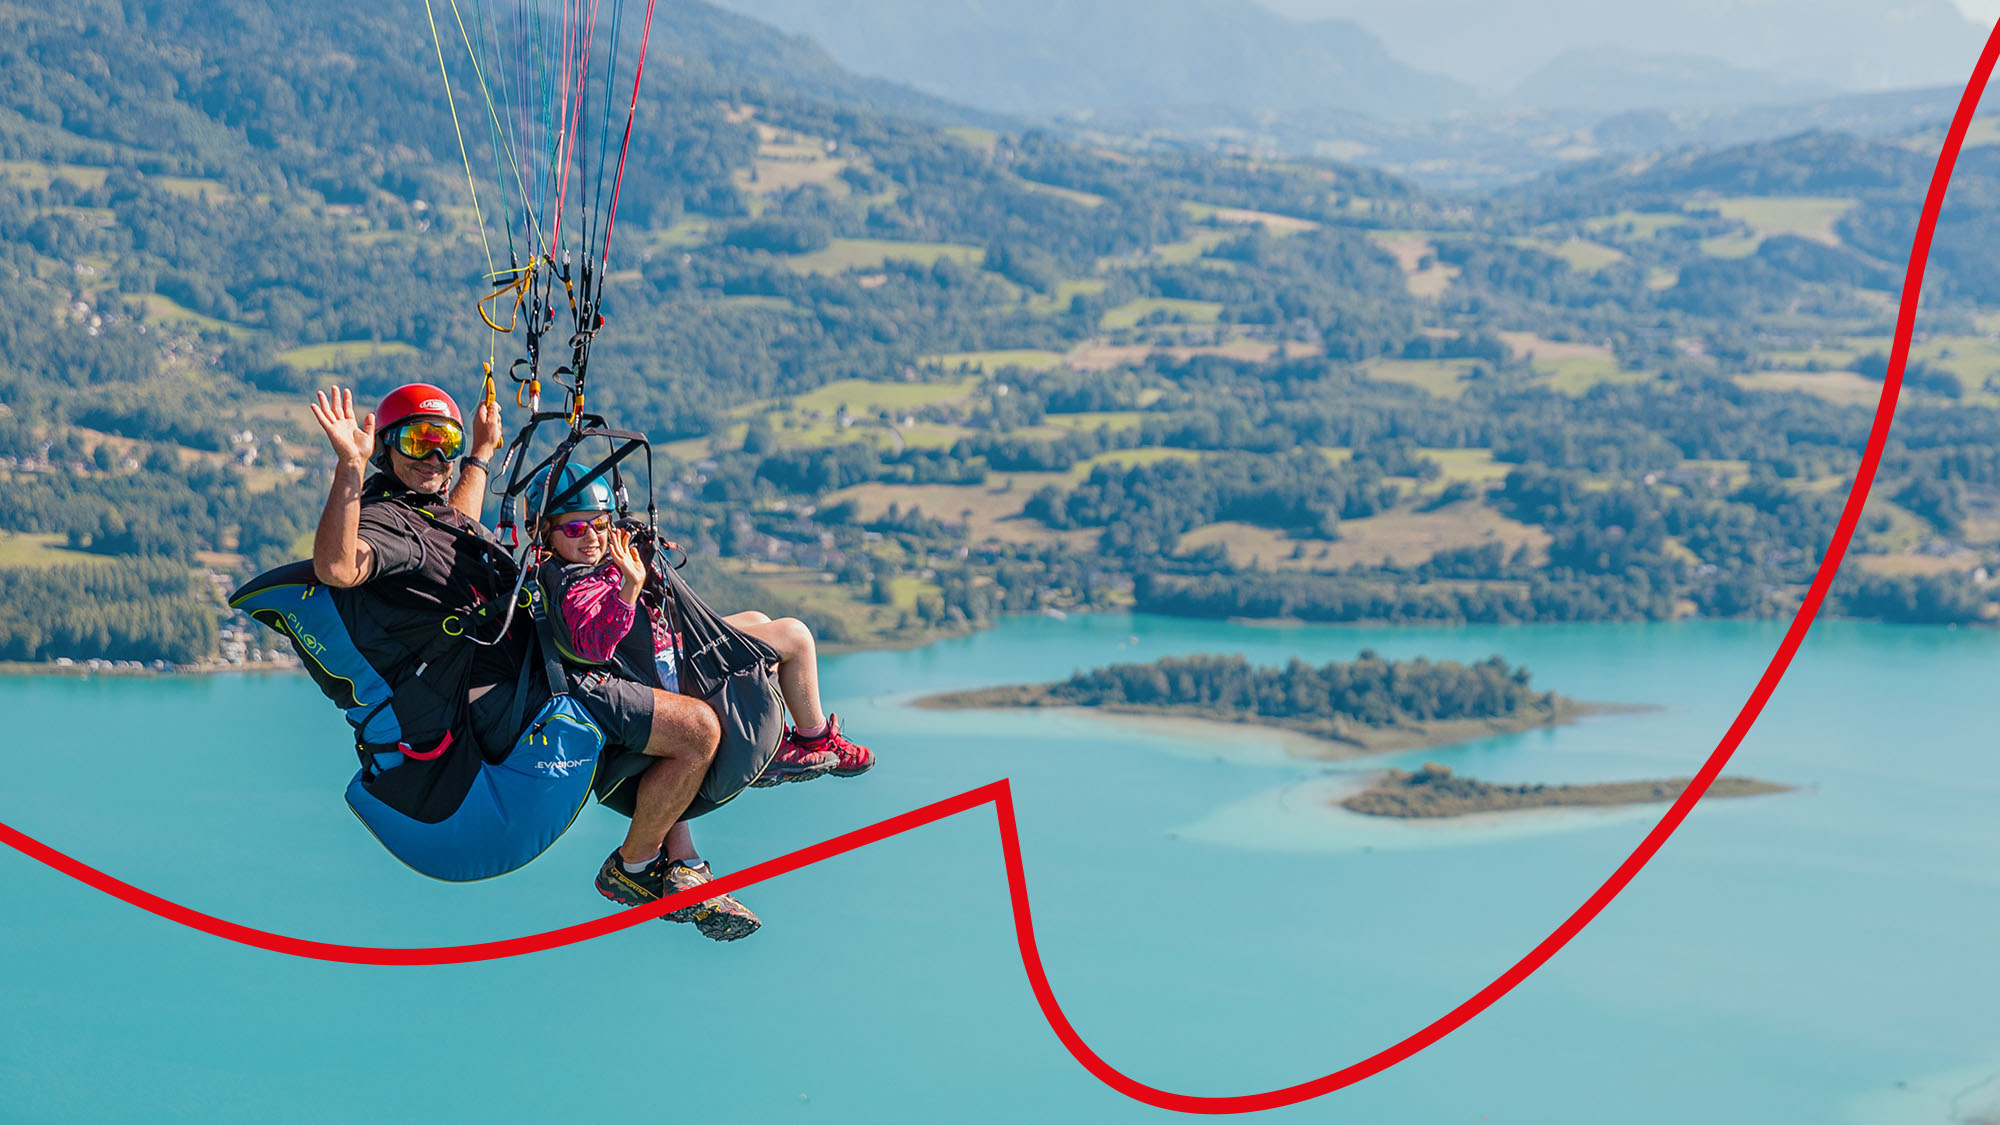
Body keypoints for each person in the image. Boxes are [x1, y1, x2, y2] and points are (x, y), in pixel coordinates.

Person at [307, 383, 751, 941]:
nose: (435, 457)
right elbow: (338, 568)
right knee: (697, 730)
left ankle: (680, 851)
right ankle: (634, 871)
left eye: (445, 441)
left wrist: (481, 454)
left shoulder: (422, 515)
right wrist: (349, 465)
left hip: (526, 672)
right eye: (419, 442)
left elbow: (458, 529)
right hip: (517, 694)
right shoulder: (385, 523)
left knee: (666, 666)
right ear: (386, 447)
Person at [527, 465, 877, 936]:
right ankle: (811, 741)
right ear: (547, 533)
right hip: (663, 679)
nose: (591, 537)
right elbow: (591, 643)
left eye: (601, 525)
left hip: (668, 660)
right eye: (575, 527)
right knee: (794, 636)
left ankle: (686, 868)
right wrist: (631, 585)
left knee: (755, 617)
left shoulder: (589, 565)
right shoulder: (575, 583)